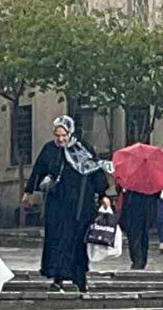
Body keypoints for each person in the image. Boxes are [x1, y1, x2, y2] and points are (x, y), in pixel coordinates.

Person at [22, 116, 112, 293]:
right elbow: (38, 170)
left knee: (78, 241)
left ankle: (80, 278)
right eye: (57, 135)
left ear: (70, 133)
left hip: (80, 204)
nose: (61, 139)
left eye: (64, 135)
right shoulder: (49, 150)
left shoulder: (83, 149)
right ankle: (58, 277)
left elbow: (95, 172)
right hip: (58, 204)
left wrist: (103, 194)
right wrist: (28, 191)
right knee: (58, 240)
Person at [120, 180, 159, 270]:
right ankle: (141, 259)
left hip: (135, 209)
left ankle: (137, 260)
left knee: (136, 236)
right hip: (145, 209)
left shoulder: (131, 180)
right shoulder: (151, 180)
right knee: (142, 236)